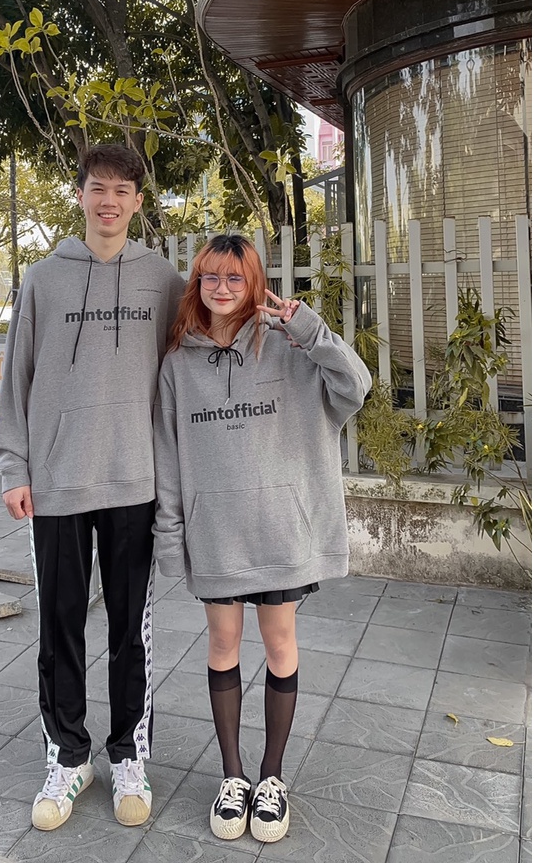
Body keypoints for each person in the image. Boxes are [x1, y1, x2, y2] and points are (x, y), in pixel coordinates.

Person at [152, 233, 372, 843]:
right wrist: (170, 536)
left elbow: (356, 387)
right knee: (223, 644)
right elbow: (166, 456)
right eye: (210, 277)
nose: (221, 288)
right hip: (215, 534)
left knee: (279, 644)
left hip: (280, 532)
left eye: (235, 277)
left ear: (254, 283)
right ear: (197, 284)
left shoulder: (291, 347)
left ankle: (272, 777)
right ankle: (233, 776)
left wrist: (309, 328)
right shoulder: (177, 365)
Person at [0, 144, 186, 832]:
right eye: (98, 188)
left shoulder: (162, 280)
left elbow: (190, 365)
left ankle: (128, 754)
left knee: (131, 632)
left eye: (122, 190)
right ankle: (68, 756)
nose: (109, 200)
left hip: (135, 479)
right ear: (80, 195)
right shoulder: (43, 279)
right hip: (58, 483)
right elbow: (16, 378)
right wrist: (14, 468)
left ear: (137, 201)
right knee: (60, 625)